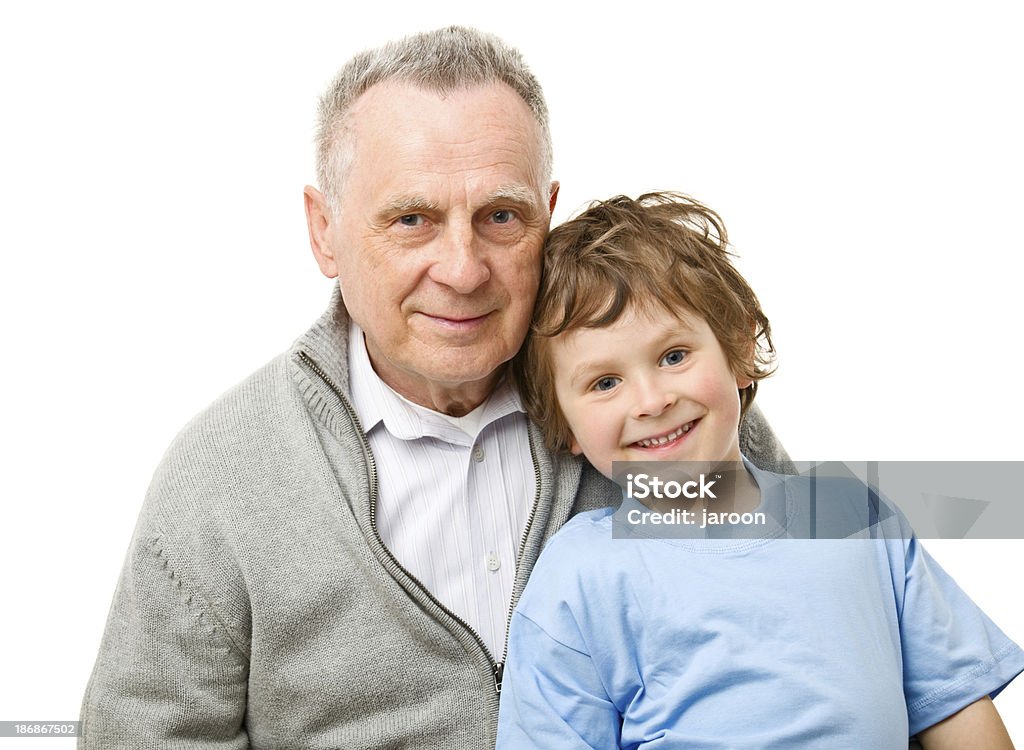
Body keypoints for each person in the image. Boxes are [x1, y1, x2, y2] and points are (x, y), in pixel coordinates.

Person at [78, 29, 790, 749]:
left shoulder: (665, 421)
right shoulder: (221, 479)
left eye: (501, 217)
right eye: (412, 220)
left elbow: (829, 621)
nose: (462, 269)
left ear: (548, 213)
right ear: (325, 231)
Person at [496, 192, 1024, 748]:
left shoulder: (853, 516)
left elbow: (956, 709)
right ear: (563, 427)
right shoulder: (580, 575)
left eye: (673, 356)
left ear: (739, 349)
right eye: (605, 383)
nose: (650, 401)